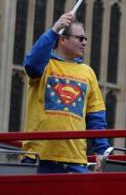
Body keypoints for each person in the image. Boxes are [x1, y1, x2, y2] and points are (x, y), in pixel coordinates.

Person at [22, 12, 109, 173]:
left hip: (75, 160)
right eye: (80, 38)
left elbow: (95, 116)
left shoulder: (88, 72)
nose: (84, 43)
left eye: (85, 39)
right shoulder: (45, 65)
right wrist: (54, 30)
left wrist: (101, 150)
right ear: (62, 39)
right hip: (39, 157)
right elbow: (31, 64)